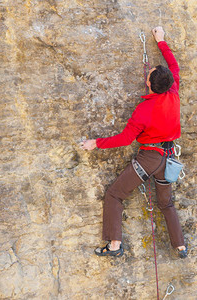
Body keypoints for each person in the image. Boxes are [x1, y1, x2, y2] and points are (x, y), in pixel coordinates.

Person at [80, 26, 187, 259]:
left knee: (115, 195)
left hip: (149, 159)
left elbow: (125, 139)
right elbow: (175, 66)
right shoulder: (174, 91)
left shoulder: (144, 110)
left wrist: (95, 143)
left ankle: (115, 245)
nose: (148, 74)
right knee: (166, 203)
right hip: (168, 159)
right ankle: (180, 246)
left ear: (149, 84)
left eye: (149, 74)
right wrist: (161, 41)